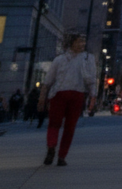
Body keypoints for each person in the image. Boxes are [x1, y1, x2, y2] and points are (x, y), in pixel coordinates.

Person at [39, 33, 97, 165]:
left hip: (76, 94)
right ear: (71, 43)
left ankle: (60, 155)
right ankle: (53, 149)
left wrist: (93, 96)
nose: (82, 44)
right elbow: (48, 80)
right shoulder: (60, 60)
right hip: (60, 94)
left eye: (83, 42)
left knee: (68, 126)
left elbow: (92, 80)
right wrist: (42, 97)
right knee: (56, 123)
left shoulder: (88, 58)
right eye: (79, 41)